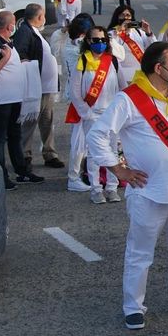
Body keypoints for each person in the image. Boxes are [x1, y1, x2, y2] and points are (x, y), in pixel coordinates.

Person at [86, 42, 168, 330]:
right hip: (148, 190)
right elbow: (98, 135)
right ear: (159, 68)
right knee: (141, 251)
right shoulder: (129, 100)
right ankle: (133, 306)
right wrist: (118, 169)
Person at [0, 11, 42, 190]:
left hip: (12, 99)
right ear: (9, 26)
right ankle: (1, 176)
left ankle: (22, 171)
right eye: (14, 23)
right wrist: (6, 59)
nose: (15, 26)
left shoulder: (6, 43)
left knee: (15, 135)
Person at [69, 26, 126, 204]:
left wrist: (121, 111)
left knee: (112, 152)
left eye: (103, 40)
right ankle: (96, 189)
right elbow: (75, 92)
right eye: (96, 40)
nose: (100, 43)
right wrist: (86, 113)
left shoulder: (113, 62)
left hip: (111, 114)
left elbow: (123, 87)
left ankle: (111, 187)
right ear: (88, 41)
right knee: (94, 154)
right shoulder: (82, 62)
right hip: (92, 115)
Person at [14, 4, 64, 170]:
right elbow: (20, 54)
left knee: (47, 121)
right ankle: (25, 155)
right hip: (37, 86)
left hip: (47, 87)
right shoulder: (25, 32)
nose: (45, 18)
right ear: (38, 17)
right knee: (30, 121)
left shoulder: (35, 31)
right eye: (43, 15)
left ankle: (50, 153)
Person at [61, 14, 96, 192]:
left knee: (87, 141)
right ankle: (73, 177)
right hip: (80, 99)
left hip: (88, 98)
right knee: (79, 141)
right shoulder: (73, 49)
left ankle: (82, 173)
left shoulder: (72, 45)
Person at [108, 5, 156, 84]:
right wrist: (119, 31)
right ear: (117, 17)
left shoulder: (139, 32)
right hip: (122, 74)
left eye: (128, 15)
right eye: (122, 15)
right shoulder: (112, 33)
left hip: (140, 74)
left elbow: (153, 47)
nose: (125, 18)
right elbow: (112, 51)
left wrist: (148, 32)